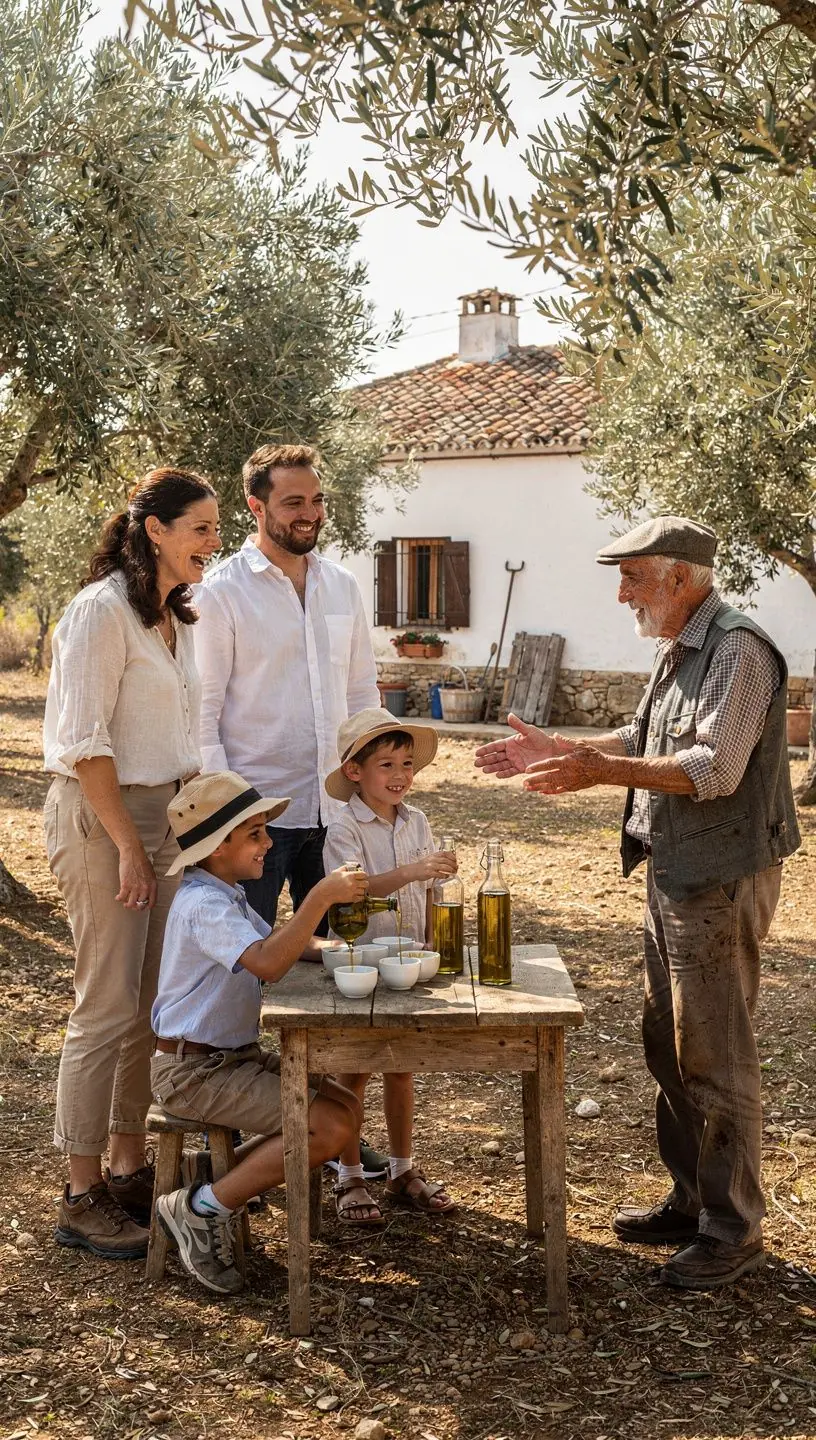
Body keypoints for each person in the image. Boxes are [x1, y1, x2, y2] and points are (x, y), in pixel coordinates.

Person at [475, 516, 800, 1291]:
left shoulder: (738, 649)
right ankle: (693, 1203)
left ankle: (734, 1229)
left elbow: (714, 768)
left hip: (718, 877)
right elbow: (649, 731)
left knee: (716, 1055)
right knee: (670, 1045)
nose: (621, 594)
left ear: (682, 578)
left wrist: (595, 771)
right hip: (675, 871)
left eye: (632, 577)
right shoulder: (680, 649)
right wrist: (565, 751)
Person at [43, 468, 222, 1259]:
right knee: (105, 1006)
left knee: (150, 1007)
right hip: (103, 815)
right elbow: (85, 744)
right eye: (202, 530)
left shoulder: (168, 619)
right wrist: (126, 847)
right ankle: (80, 1194)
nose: (213, 545)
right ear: (155, 529)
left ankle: (126, 1167)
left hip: (166, 818)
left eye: (217, 531)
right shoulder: (99, 613)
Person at [150, 770, 365, 1294]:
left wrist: (337, 949)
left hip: (229, 1058)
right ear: (218, 846)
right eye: (256, 834)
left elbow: (280, 943)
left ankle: (212, 1177)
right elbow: (269, 964)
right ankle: (201, 1209)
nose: (270, 843)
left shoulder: (226, 894)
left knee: (346, 1109)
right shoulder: (204, 905)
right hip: (194, 1071)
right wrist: (318, 899)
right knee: (330, 1129)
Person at [193, 443, 380, 935]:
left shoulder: (343, 586)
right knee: (245, 963)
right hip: (256, 816)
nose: (310, 515)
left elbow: (362, 692)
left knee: (341, 954)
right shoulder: (219, 593)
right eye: (293, 503)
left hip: (337, 810)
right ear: (256, 506)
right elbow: (201, 714)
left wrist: (370, 783)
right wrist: (231, 818)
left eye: (316, 501)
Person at [322, 708, 457, 1224]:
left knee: (402, 1068)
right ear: (355, 772)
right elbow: (353, 890)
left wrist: (438, 883)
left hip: (408, 963)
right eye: (386, 764)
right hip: (359, 964)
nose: (401, 775)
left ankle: (401, 1168)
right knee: (351, 1072)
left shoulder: (417, 821)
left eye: (407, 764)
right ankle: (350, 1174)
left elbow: (428, 889)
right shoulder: (344, 828)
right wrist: (412, 870)